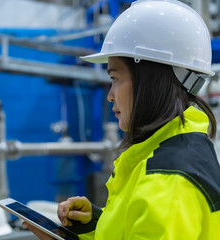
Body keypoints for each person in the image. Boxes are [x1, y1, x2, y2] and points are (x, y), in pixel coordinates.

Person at [23, 0, 220, 239]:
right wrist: (96, 223)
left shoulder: (167, 182)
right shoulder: (174, 152)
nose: (110, 96)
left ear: (151, 82)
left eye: (115, 79)